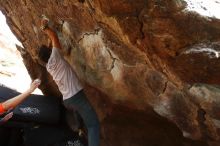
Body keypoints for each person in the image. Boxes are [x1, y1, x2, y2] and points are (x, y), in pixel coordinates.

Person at [39, 17, 100, 146]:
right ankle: (84, 131)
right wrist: (45, 28)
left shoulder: (49, 65)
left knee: (78, 109)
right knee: (93, 124)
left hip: (67, 100)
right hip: (76, 96)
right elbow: (54, 37)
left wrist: (49, 41)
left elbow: (52, 45)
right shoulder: (55, 57)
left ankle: (79, 129)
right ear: (51, 52)